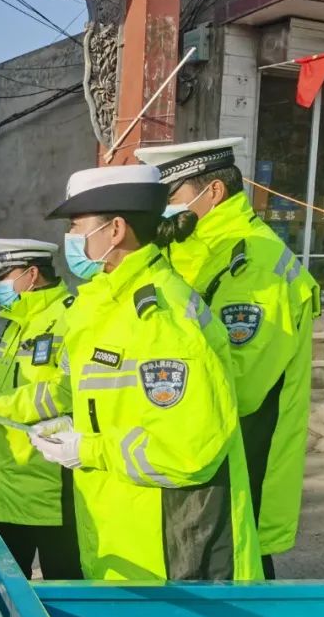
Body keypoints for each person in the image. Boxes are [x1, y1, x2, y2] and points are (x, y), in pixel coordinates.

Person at [31, 164, 264, 581]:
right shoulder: (109, 305)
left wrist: (88, 449)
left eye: (76, 225)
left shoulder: (159, 315)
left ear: (116, 229)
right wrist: (76, 424)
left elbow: (186, 450)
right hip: (127, 531)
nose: (71, 238)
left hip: (170, 547)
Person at [135, 138, 322, 578]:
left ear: (213, 192)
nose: (165, 210)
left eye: (173, 197)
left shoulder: (255, 263)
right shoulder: (186, 254)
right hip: (199, 458)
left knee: (238, 585)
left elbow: (241, 384)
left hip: (240, 459)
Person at [0, 240, 82, 582]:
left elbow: (68, 389)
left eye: (4, 276)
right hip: (7, 484)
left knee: (64, 586)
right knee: (8, 592)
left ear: (32, 275)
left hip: (49, 484)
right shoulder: (17, 323)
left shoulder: (69, 318)